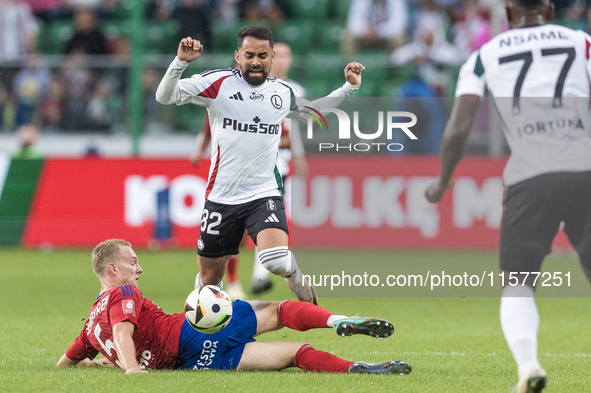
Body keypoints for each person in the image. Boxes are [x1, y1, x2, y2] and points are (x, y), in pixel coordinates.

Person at [424, 1, 591, 392]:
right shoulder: (581, 42)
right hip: (586, 169)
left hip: (529, 176)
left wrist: (444, 179)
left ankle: (529, 366)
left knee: (518, 282)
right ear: (549, 9)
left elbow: (458, 128)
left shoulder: (484, 56)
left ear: (508, 11)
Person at [155, 26, 365, 304]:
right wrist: (180, 63)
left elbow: (315, 112)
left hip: (263, 193)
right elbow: (165, 96)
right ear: (238, 56)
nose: (256, 61)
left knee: (276, 260)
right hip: (221, 197)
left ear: (272, 57)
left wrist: (348, 87)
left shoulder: (282, 91)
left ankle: (310, 304)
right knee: (209, 282)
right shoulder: (217, 84)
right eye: (249, 55)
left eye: (262, 55)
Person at [56, 239, 412, 375]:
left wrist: (108, 360)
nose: (139, 268)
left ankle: (357, 369)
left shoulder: (89, 325)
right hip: (192, 332)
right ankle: (340, 320)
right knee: (277, 310)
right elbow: (123, 331)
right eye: (133, 262)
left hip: (194, 364)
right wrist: (130, 368)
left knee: (294, 353)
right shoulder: (123, 294)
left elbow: (67, 362)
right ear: (113, 269)